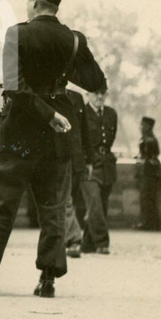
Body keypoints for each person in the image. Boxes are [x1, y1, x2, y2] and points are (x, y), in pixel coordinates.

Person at [0, 0, 105, 298]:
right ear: (55, 7)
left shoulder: (17, 33)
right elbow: (94, 80)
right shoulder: (74, 39)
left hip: (20, 130)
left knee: (0, 204)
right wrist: (63, 73)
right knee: (54, 207)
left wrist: (46, 112)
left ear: (34, 2)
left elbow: (15, 88)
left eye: (28, 0)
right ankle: (48, 279)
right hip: (59, 134)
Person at [80, 90, 114, 254]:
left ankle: (88, 244)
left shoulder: (111, 114)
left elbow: (109, 139)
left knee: (102, 204)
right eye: (95, 93)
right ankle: (102, 242)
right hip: (88, 165)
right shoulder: (82, 113)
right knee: (94, 203)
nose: (100, 96)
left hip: (107, 164)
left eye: (103, 93)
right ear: (87, 94)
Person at [61, 88, 90, 259]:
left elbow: (84, 131)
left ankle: (64, 240)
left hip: (76, 159)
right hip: (57, 157)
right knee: (66, 199)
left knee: (69, 198)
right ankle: (74, 239)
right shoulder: (45, 93)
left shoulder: (76, 97)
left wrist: (90, 160)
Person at [135, 116, 161, 230]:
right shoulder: (149, 138)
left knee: (147, 198)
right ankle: (151, 223)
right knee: (150, 198)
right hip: (150, 172)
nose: (140, 127)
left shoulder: (149, 140)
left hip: (148, 173)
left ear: (148, 127)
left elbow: (149, 156)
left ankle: (147, 223)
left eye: (143, 125)